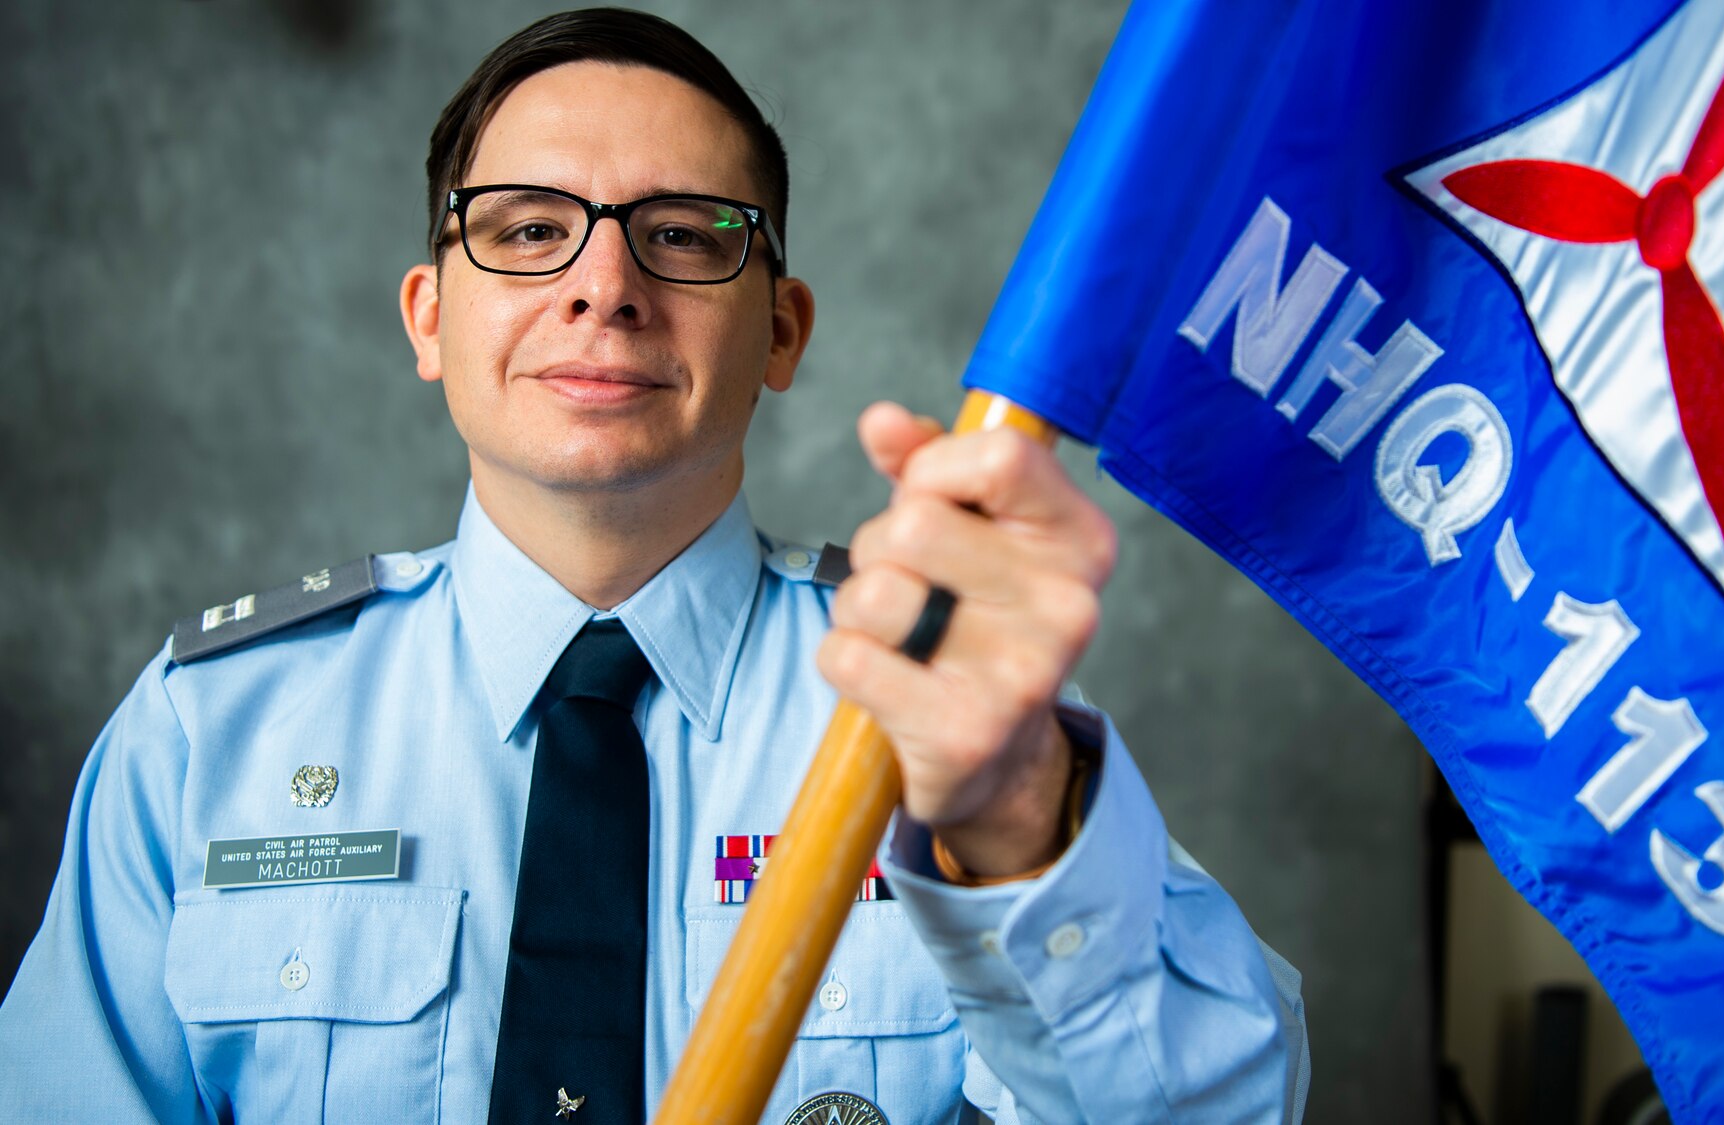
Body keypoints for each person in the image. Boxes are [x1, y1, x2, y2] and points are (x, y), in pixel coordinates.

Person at [0, 9, 1306, 1122]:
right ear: (430, 316)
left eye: (684, 235)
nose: (606, 284)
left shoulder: (943, 705)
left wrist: (1017, 816)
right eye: (524, 231)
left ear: (783, 330)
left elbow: (1230, 1104)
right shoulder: (206, 732)